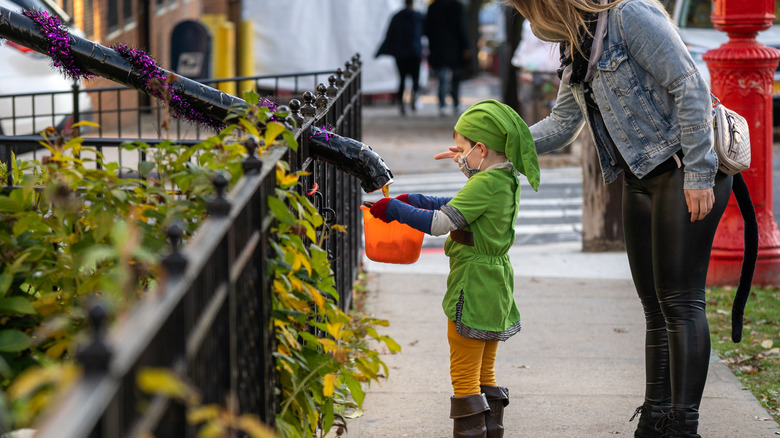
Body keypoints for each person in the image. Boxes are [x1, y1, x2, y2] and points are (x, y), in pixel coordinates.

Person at [438, 1, 731, 436]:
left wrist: (700, 174)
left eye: (527, 9)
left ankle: (683, 426)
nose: (530, 21)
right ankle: (654, 418)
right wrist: (493, 153)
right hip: (639, 176)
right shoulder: (576, 43)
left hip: (684, 168)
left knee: (681, 303)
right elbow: (561, 124)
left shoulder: (631, 15)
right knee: (654, 308)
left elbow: (689, 85)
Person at [368, 100, 540, 438]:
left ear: (481, 148)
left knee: (464, 372)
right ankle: (492, 430)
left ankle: (471, 432)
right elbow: (461, 207)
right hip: (496, 285)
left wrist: (392, 209)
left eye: (462, 149)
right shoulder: (504, 179)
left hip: (472, 285)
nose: (459, 156)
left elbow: (439, 223)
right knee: (484, 370)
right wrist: (415, 199)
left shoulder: (485, 184)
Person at [375, 0, 425, 115]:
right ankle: (414, 97)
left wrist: (383, 50)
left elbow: (389, 35)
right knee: (415, 79)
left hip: (401, 54)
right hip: (414, 53)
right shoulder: (418, 16)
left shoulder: (397, 17)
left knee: (402, 79)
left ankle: (402, 103)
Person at [424, 0, 470, 116]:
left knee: (441, 77)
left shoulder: (433, 7)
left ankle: (442, 104)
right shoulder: (457, 6)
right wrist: (466, 46)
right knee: (455, 77)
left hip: (438, 47)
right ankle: (456, 103)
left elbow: (427, 29)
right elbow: (462, 27)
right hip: (455, 47)